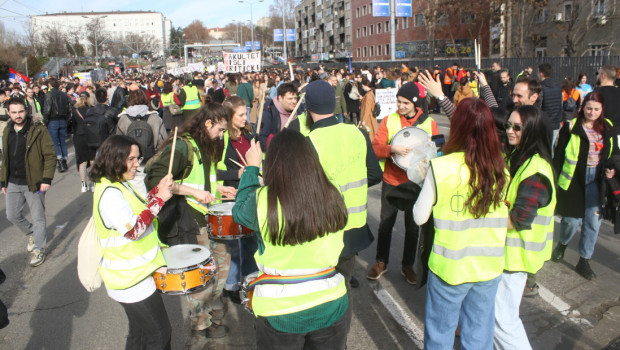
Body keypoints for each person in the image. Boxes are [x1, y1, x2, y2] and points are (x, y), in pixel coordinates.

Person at [232, 129, 349, 350]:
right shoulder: (335, 192)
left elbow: (239, 211)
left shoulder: (261, 200)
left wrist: (251, 169)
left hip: (280, 310)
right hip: (331, 300)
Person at [413, 97, 509, 350]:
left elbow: (419, 217)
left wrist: (424, 182)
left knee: (440, 333)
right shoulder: (501, 169)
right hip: (488, 267)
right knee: (479, 334)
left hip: (450, 269)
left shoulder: (441, 167)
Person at [145, 104, 236, 343]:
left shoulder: (207, 145)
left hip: (211, 216)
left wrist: (218, 188)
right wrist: (194, 194)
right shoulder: (184, 146)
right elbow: (157, 180)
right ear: (207, 124)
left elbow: (203, 178)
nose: (222, 135)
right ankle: (200, 323)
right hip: (192, 221)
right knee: (203, 275)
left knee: (219, 272)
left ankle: (211, 314)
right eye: (220, 129)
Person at [90, 134, 174, 350]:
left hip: (133, 276)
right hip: (131, 280)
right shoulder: (110, 194)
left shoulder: (117, 183)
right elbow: (134, 230)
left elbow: (138, 209)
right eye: (131, 159)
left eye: (137, 158)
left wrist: (158, 191)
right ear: (114, 159)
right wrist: (161, 199)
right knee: (160, 335)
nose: (137, 164)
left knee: (139, 333)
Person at [494, 105, 556, 350]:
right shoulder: (519, 157)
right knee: (499, 319)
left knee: (504, 322)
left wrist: (479, 221)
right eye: (508, 125)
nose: (509, 131)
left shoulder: (536, 172)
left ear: (531, 131)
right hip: (507, 255)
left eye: (516, 127)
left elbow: (519, 219)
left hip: (516, 259)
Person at [368, 82, 439, 284]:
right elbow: (375, 148)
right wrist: (392, 149)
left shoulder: (429, 123)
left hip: (416, 183)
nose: (400, 106)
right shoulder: (389, 120)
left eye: (405, 102)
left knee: (413, 227)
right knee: (386, 224)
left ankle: (407, 266)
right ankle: (381, 262)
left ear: (415, 103)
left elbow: (437, 150)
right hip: (392, 180)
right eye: (398, 101)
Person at [551, 91, 613, 280]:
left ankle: (584, 260)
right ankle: (562, 244)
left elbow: (614, 152)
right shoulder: (570, 127)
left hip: (597, 180)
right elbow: (559, 155)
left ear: (601, 110)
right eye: (588, 108)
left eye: (596, 109)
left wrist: (612, 170)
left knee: (593, 222)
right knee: (571, 221)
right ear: (582, 108)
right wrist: (554, 181)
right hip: (573, 180)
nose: (592, 113)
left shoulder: (607, 127)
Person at [1, 97, 56, 267]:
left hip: (35, 182)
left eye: (21, 111)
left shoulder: (38, 130)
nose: (18, 115)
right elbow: (5, 158)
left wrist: (46, 179)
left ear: (26, 111)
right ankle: (33, 233)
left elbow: (50, 155)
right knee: (12, 214)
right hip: (12, 181)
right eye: (14, 112)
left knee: (38, 217)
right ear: (8, 113)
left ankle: (39, 249)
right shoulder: (7, 130)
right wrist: (3, 181)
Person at [218, 96, 259, 304]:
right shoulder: (222, 138)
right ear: (229, 116)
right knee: (234, 245)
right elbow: (215, 171)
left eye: (246, 113)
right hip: (232, 194)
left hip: (252, 192)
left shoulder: (248, 133)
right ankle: (231, 285)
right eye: (241, 115)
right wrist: (237, 174)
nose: (246, 118)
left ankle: (251, 280)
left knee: (251, 238)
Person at [116, 90, 167, 195]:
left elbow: (118, 142)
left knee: (133, 193)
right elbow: (163, 141)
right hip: (151, 161)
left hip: (129, 163)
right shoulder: (155, 118)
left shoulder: (123, 119)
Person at [257, 83, 305, 150]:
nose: (294, 101)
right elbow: (261, 139)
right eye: (290, 99)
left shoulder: (299, 111)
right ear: (280, 98)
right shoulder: (269, 113)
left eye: (295, 98)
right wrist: (279, 148)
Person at [42, 77, 71, 173]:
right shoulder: (63, 94)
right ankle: (64, 160)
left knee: (55, 142)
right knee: (62, 141)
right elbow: (68, 108)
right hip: (62, 119)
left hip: (53, 120)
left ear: (49, 85)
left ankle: (60, 162)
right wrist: (66, 119)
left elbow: (47, 108)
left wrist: (45, 121)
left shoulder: (49, 94)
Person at [69, 91, 95, 192]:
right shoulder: (92, 109)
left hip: (79, 136)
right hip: (91, 135)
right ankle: (93, 183)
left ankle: (83, 184)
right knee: (92, 160)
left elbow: (72, 124)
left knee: (82, 161)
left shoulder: (75, 110)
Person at [538, 63, 563, 144]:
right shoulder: (558, 86)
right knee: (550, 147)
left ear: (541, 74)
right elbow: (560, 104)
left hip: (544, 123)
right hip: (555, 122)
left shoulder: (541, 87)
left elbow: (539, 105)